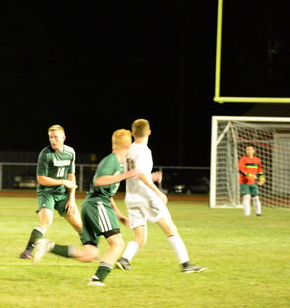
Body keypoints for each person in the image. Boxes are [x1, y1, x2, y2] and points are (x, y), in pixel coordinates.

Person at [32, 129, 137, 286]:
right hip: (97, 204)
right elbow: (99, 181)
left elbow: (107, 193)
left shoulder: (118, 163)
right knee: (117, 243)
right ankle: (97, 279)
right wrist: (127, 175)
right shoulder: (112, 161)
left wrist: (119, 214)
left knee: (89, 254)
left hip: (94, 204)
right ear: (128, 146)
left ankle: (49, 246)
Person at [116, 118, 206, 273]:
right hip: (146, 197)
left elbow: (135, 173)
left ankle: (124, 260)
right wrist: (158, 191)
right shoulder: (144, 151)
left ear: (133, 133)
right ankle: (186, 265)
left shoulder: (129, 150)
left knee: (141, 237)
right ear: (149, 132)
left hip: (131, 198)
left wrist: (151, 176)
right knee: (170, 229)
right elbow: (141, 174)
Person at [19, 124, 81, 260]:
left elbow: (71, 176)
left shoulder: (70, 152)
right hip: (46, 193)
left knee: (79, 226)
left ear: (64, 138)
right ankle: (27, 252)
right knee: (46, 221)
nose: (53, 140)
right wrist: (62, 182)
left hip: (63, 194)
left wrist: (72, 199)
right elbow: (41, 179)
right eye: (50, 137)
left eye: (56, 137)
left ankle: (90, 252)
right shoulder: (45, 154)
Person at [238, 145, 265, 217]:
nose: (248, 151)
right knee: (247, 196)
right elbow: (241, 171)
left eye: (250, 149)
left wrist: (262, 177)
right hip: (244, 182)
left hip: (253, 182)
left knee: (256, 197)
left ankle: (258, 213)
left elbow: (260, 169)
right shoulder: (243, 159)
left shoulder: (257, 160)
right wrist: (251, 176)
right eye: (247, 149)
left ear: (254, 151)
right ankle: (247, 214)